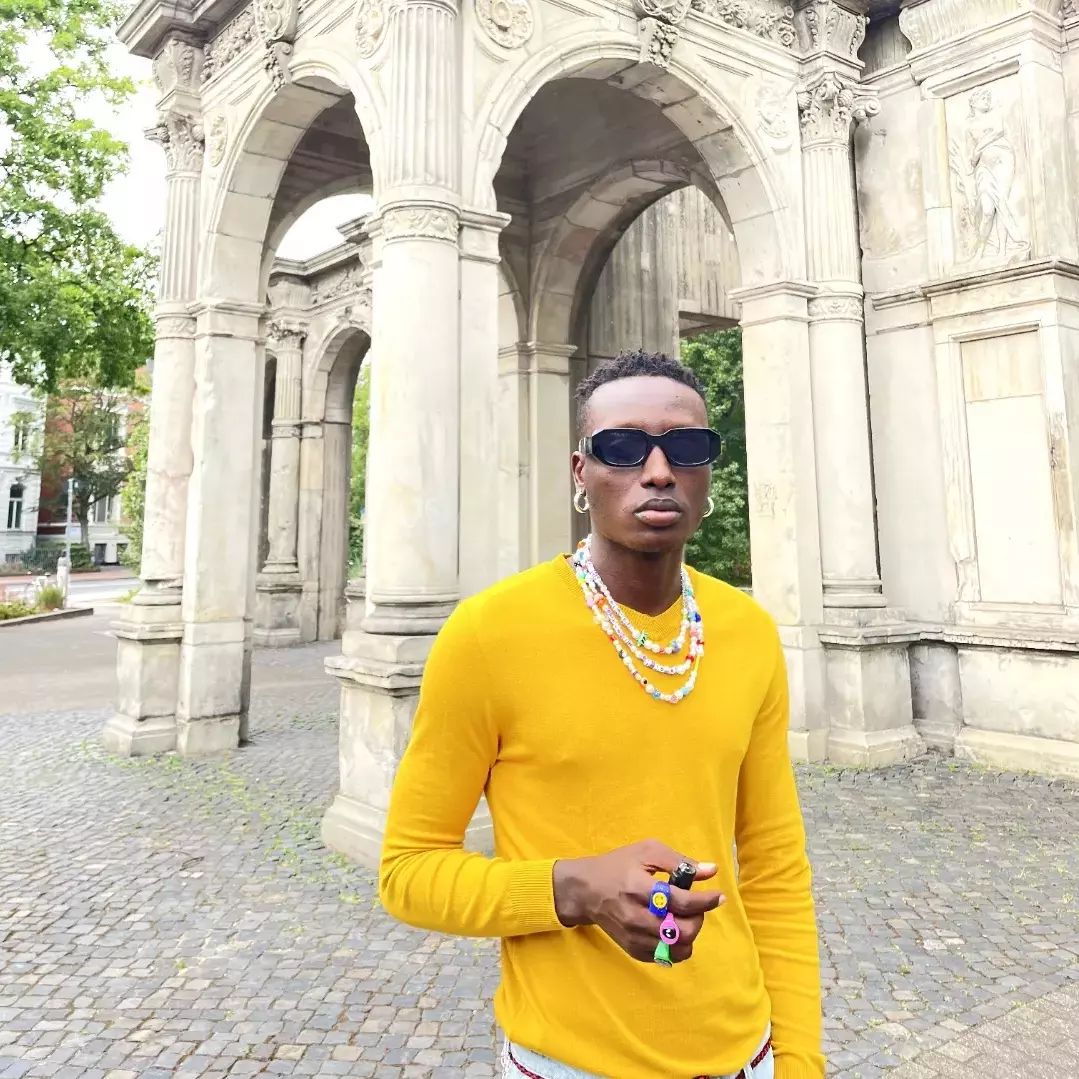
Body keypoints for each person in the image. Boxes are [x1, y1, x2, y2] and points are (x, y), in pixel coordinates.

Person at [379, 350, 824, 1079]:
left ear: (708, 473)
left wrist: (800, 1060)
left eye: (686, 447)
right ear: (580, 473)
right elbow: (408, 871)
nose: (658, 471)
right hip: (567, 1063)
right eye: (622, 447)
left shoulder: (747, 632)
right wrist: (575, 887)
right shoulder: (489, 634)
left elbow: (775, 867)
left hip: (746, 1052)